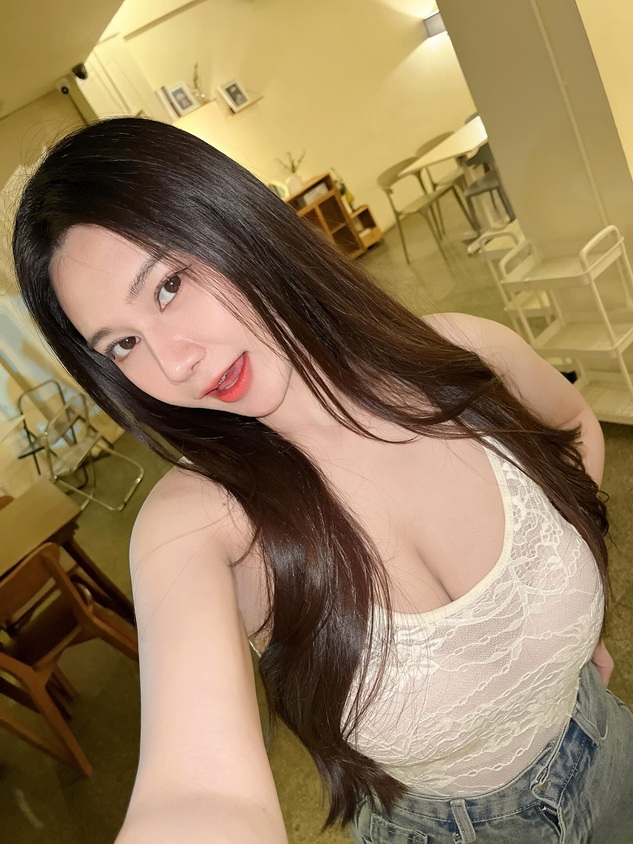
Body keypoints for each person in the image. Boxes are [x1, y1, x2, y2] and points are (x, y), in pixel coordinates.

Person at [12, 117, 632, 844]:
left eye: (169, 286)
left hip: (608, 752)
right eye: (123, 344)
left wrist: (562, 626)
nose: (173, 363)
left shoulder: (460, 354)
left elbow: (572, 425)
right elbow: (198, 797)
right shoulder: (200, 523)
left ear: (235, 222)